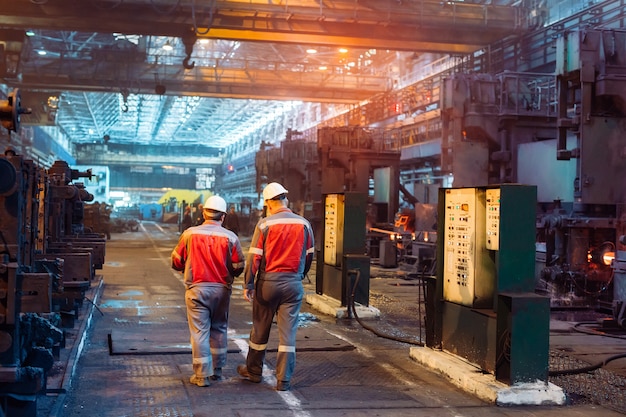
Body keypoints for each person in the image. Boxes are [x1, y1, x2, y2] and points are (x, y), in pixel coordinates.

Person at [237, 182, 314, 391]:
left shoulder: (264, 224)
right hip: (293, 284)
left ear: (268, 203)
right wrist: (299, 275)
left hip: (268, 284)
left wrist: (248, 284)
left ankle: (253, 372)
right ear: (285, 199)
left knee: (260, 330)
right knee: (287, 335)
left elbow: (255, 257)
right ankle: (284, 380)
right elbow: (309, 256)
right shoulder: (304, 224)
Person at [171, 195, 245, 387]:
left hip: (196, 289)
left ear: (204, 213)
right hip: (221, 291)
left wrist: (187, 267)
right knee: (219, 328)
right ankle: (217, 371)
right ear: (223, 216)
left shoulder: (189, 234)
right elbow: (238, 266)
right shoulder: (231, 237)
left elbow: (176, 261)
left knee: (199, 332)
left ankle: (202, 376)